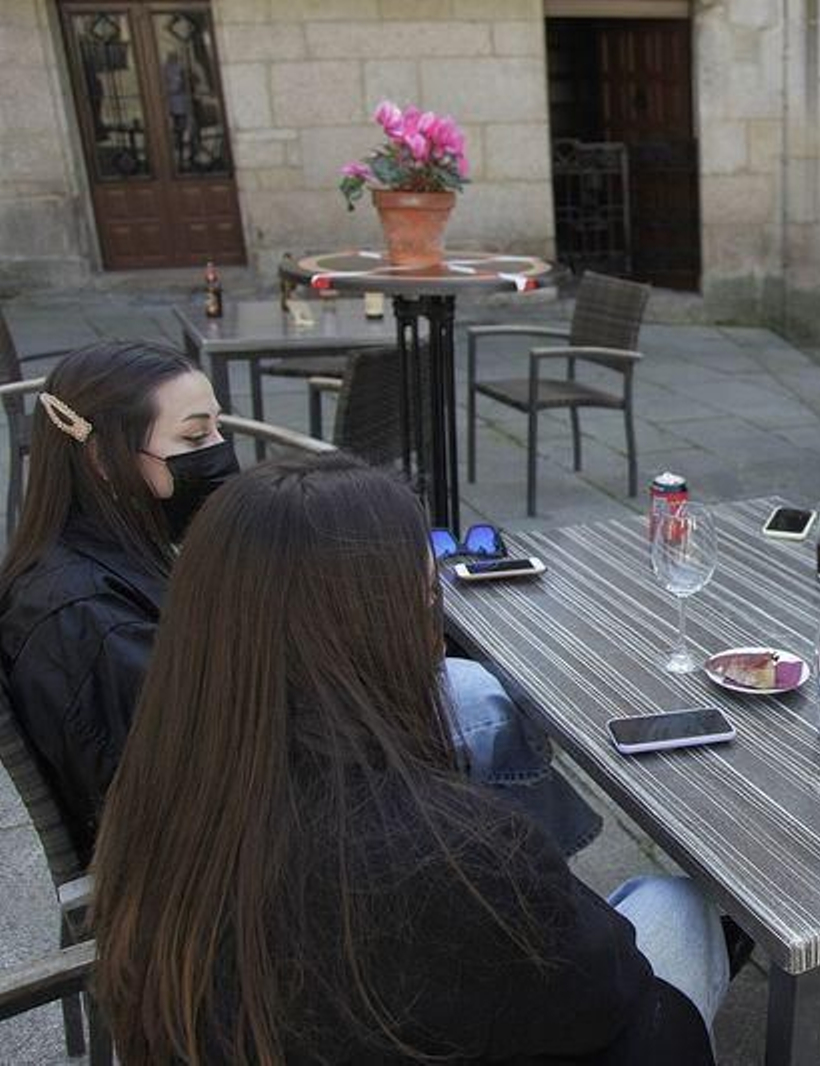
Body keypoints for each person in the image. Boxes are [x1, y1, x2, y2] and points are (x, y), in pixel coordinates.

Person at [92, 454, 731, 1062]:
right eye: (427, 596)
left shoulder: (163, 779)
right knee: (676, 909)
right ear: (373, 630)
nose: (437, 620)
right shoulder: (451, 854)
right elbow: (607, 993)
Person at [0, 342, 596, 860]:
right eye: (194, 436)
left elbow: (215, 672)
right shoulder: (80, 614)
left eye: (218, 428)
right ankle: (524, 897)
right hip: (244, 839)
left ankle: (521, 881)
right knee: (482, 700)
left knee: (468, 677)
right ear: (102, 459)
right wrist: (356, 684)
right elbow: (196, 764)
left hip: (251, 773)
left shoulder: (116, 547)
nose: (219, 449)